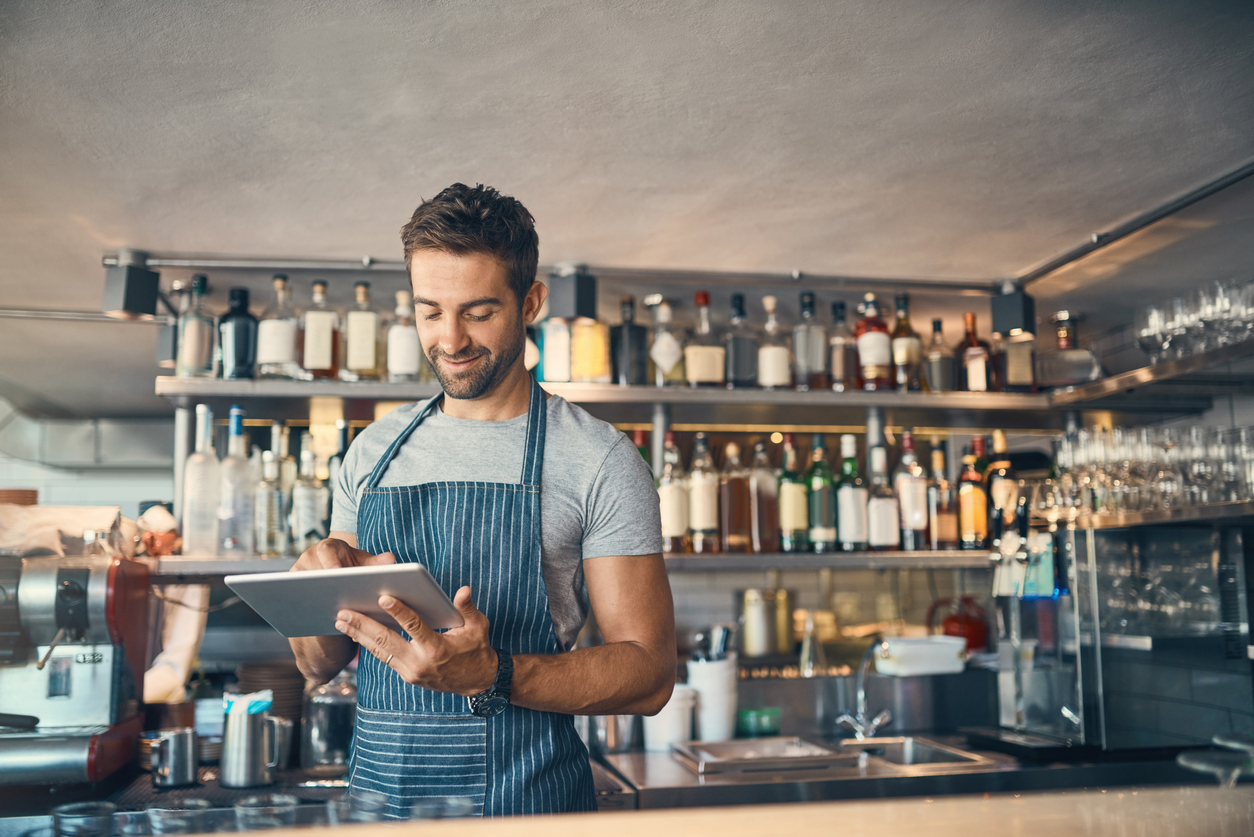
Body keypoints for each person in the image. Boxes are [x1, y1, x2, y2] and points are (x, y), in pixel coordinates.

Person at [288, 183, 674, 817]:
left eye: (479, 311)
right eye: (430, 310)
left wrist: (493, 675)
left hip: (529, 808)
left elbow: (651, 675)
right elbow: (320, 664)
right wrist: (310, 594)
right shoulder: (372, 453)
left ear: (531, 302)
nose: (451, 338)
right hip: (380, 812)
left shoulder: (598, 458)